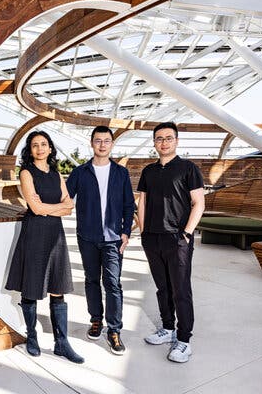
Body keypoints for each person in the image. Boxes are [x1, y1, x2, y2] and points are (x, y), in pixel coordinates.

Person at [5, 130, 84, 364]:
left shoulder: (57, 174)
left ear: (50, 148)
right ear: (30, 150)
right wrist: (55, 209)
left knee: (57, 287)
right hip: (35, 233)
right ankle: (32, 337)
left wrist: (48, 208)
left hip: (55, 234)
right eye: (35, 145)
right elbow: (36, 208)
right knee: (31, 287)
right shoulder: (27, 173)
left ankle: (62, 343)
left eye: (44, 144)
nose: (40, 148)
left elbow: (69, 206)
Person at [137, 122, 205, 363]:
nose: (163, 142)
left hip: (178, 239)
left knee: (180, 290)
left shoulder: (188, 168)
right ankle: (168, 329)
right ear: (154, 143)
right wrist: (144, 232)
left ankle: (184, 340)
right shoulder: (148, 171)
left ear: (176, 141)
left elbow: (199, 203)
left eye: (168, 138)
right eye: (159, 139)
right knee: (162, 287)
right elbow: (142, 202)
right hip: (152, 238)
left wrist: (186, 234)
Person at [66, 126, 135, 355]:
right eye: (98, 140)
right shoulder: (80, 172)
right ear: (92, 143)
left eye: (107, 141)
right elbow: (65, 199)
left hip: (114, 238)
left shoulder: (121, 173)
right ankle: (96, 320)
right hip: (87, 236)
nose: (102, 144)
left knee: (113, 284)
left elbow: (128, 205)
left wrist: (126, 231)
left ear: (112, 144)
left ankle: (114, 330)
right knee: (91, 280)